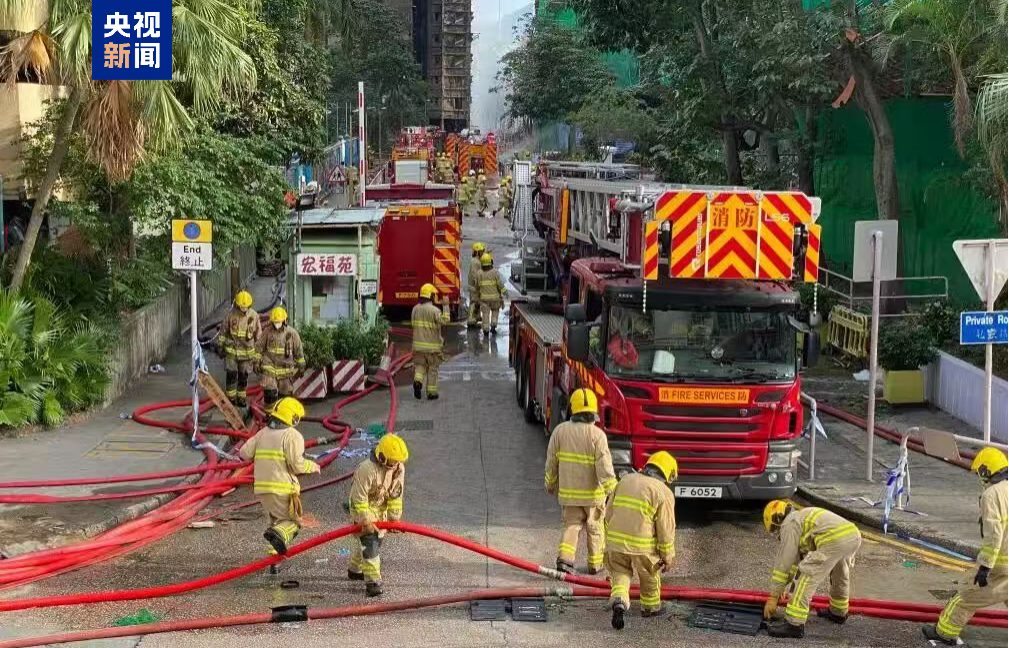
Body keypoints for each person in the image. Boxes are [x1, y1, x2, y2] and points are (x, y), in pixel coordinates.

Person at [923, 448, 1008, 645]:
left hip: (999, 566)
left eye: (980, 472)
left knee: (964, 598)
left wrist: (985, 567)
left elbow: (994, 535)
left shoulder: (991, 495)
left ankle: (944, 633)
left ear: (986, 471)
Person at [762, 501, 862, 638]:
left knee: (807, 575)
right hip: (852, 536)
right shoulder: (801, 517)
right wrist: (783, 587)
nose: (778, 535)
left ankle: (794, 624)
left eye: (775, 530)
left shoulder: (789, 523)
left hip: (833, 539)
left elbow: (784, 561)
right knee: (840, 575)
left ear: (776, 521)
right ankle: (838, 612)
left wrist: (773, 597)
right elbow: (794, 562)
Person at [239, 397, 319, 567]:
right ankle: (277, 543)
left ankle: (274, 562)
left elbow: (244, 453)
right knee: (292, 523)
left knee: (275, 524)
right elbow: (297, 464)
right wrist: (312, 466)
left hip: (262, 488)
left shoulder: (262, 433)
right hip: (282, 488)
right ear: (293, 418)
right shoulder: (292, 436)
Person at [544, 388, 616, 575]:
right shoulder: (597, 435)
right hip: (593, 497)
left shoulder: (560, 432)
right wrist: (613, 491)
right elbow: (605, 468)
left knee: (571, 526)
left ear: (573, 409)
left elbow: (551, 462)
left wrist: (550, 483)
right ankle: (595, 564)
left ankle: (565, 560)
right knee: (595, 528)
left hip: (569, 495)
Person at [605, 451, 678, 630]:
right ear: (667, 474)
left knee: (620, 573)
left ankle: (619, 601)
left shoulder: (625, 481)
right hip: (643, 546)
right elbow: (665, 529)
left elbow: (609, 512)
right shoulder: (663, 492)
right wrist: (667, 556)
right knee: (649, 576)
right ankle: (650, 608)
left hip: (615, 542)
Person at [347, 433, 409, 597]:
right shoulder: (366, 469)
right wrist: (365, 520)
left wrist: (394, 519)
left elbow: (396, 495)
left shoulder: (398, 468)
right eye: (393, 461)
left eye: (398, 461)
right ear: (382, 456)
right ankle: (373, 582)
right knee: (370, 542)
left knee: (373, 540)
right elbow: (359, 498)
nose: (396, 464)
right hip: (363, 507)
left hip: (380, 509)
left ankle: (355, 569)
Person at [217, 290, 261, 408]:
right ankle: (230, 399)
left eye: (245, 307)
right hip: (232, 352)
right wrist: (220, 346)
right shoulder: (231, 315)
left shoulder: (254, 316)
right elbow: (223, 332)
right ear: (237, 304)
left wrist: (259, 355)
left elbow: (258, 336)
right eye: (241, 307)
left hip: (247, 355)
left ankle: (241, 398)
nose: (243, 309)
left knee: (243, 376)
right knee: (231, 375)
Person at [256, 307, 306, 409]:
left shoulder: (292, 334)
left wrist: (301, 366)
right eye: (275, 322)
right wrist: (256, 362)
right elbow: (258, 348)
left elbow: (299, 352)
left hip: (285, 371)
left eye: (279, 322)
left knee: (285, 398)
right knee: (270, 394)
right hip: (270, 368)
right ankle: (269, 415)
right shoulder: (267, 332)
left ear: (284, 320)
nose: (277, 324)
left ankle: (283, 415)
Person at [411, 283, 450, 400]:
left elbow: (413, 324)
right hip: (432, 348)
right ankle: (432, 393)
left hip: (418, 347)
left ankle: (418, 381)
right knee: (433, 369)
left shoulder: (415, 309)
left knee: (420, 366)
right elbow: (445, 321)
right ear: (431, 296)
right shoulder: (434, 310)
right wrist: (446, 306)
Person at [477, 253, 505, 337]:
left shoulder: (479, 273)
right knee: (495, 311)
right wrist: (505, 292)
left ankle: (486, 330)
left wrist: (477, 297)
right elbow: (500, 284)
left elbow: (477, 286)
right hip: (495, 298)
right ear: (491, 262)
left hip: (484, 299)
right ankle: (493, 326)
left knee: (485, 314)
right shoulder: (495, 272)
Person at [467, 242, 487, 329]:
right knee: (474, 302)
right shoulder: (475, 262)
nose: (483, 252)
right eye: (481, 251)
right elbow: (475, 275)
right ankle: (471, 319)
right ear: (477, 252)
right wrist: (479, 284)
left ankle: (476, 316)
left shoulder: (477, 261)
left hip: (475, 286)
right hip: (474, 286)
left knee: (477, 301)